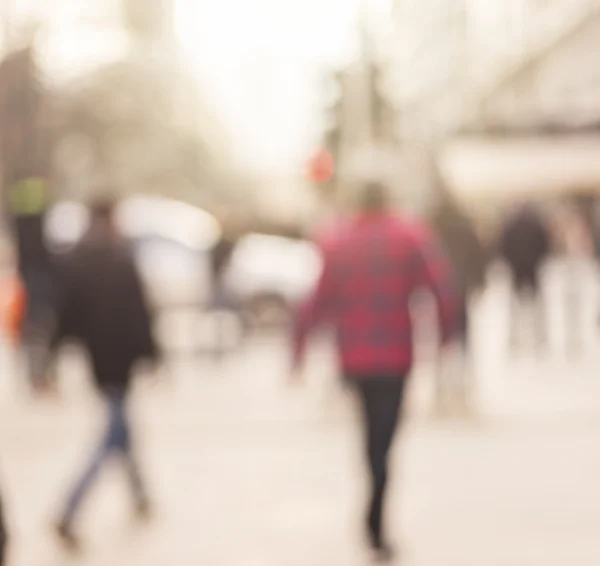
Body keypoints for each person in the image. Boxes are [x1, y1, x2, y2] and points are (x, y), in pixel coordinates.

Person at [292, 183, 458, 561]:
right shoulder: (409, 234)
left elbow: (317, 298)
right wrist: (448, 335)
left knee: (370, 432)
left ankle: (373, 499)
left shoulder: (339, 240)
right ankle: (377, 514)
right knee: (386, 435)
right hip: (396, 355)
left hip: (353, 357)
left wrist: (299, 349)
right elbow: (441, 287)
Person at [51, 198, 158, 550]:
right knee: (112, 436)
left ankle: (140, 495)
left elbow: (65, 315)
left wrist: (51, 357)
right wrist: (154, 355)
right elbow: (141, 313)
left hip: (100, 363)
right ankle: (69, 510)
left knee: (122, 429)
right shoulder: (120, 257)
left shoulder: (78, 260)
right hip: (120, 363)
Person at [428, 182, 488, 413]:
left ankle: (442, 385)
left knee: (442, 336)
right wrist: (479, 280)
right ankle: (461, 383)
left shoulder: (433, 224)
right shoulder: (463, 223)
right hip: (461, 286)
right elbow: (478, 252)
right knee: (463, 336)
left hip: (441, 288)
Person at [499, 203, 551, 354]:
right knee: (532, 306)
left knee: (518, 307)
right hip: (530, 268)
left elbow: (503, 246)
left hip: (519, 269)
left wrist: (511, 262)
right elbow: (544, 244)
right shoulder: (534, 225)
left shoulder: (511, 226)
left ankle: (518, 338)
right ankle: (537, 337)